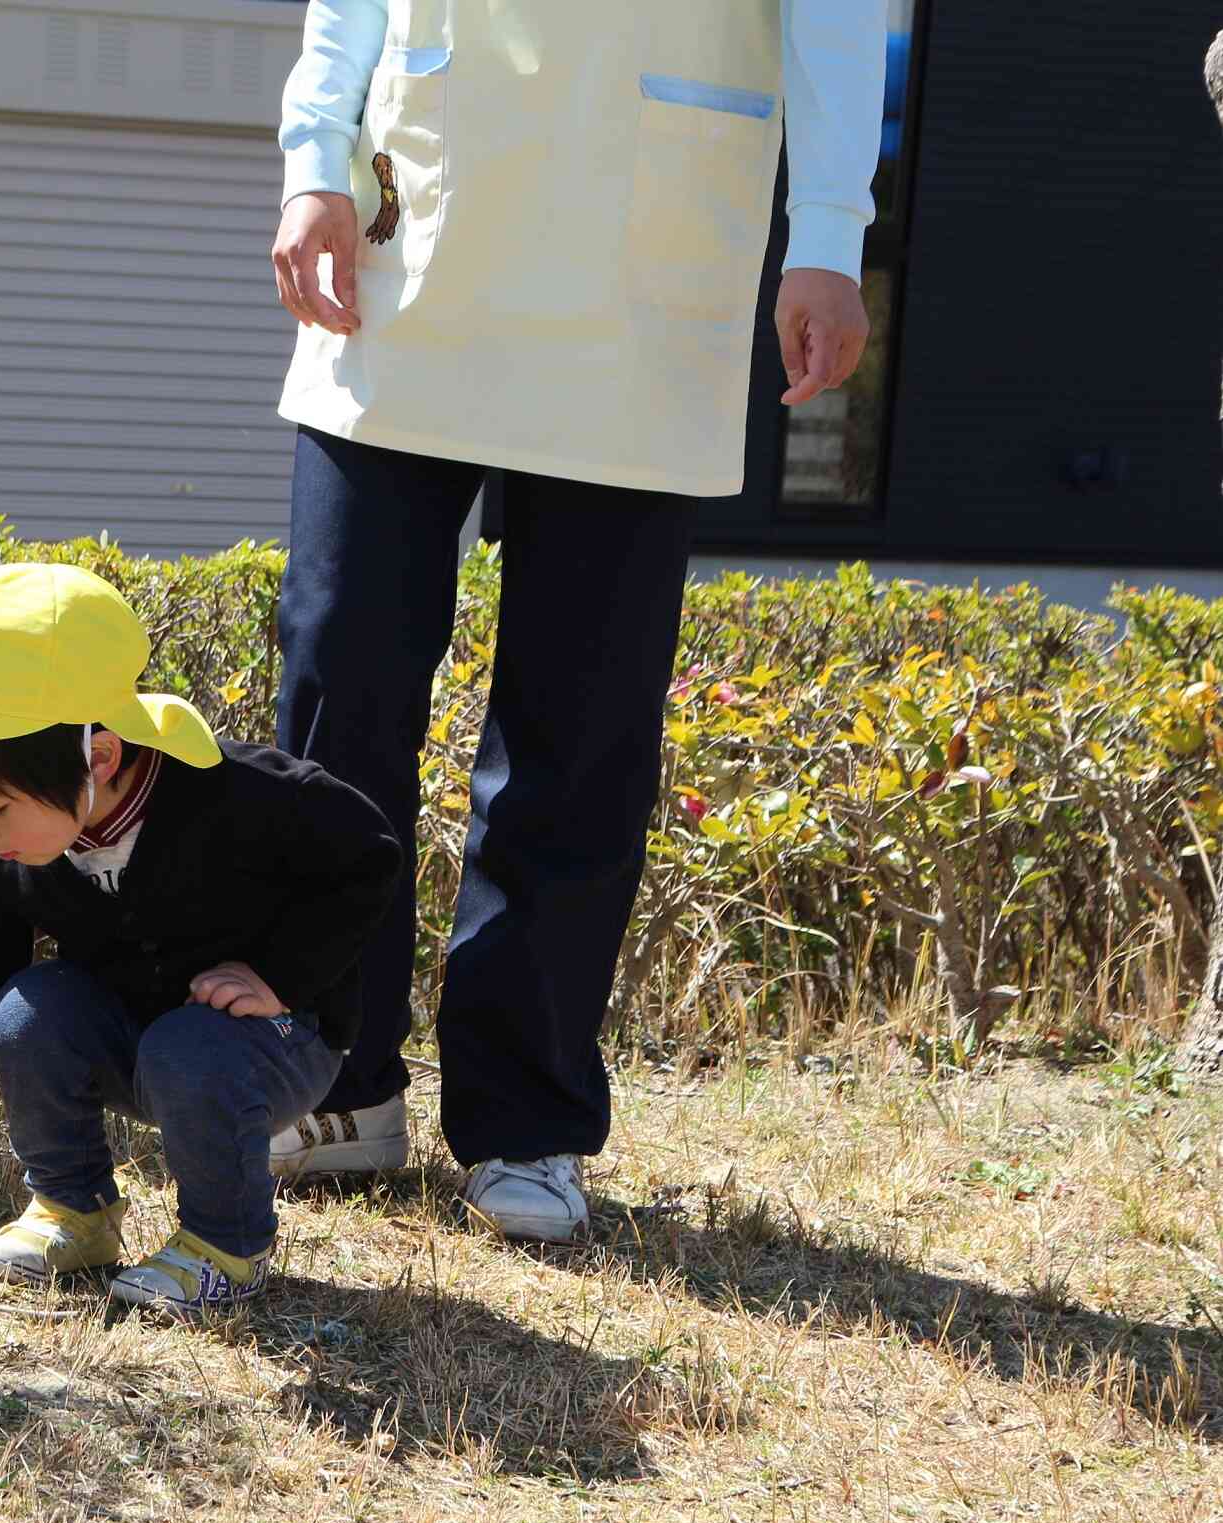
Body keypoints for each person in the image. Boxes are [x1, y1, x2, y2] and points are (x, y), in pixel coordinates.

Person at [264, 0, 884, 1240]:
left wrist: (827, 229)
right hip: (413, 220)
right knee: (339, 664)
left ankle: (526, 1117)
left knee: (581, 716)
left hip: (645, 250)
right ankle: (335, 1074)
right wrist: (314, 155)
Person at [0, 565, 400, 1316]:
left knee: (189, 1047)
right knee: (25, 1009)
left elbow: (369, 858)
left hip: (269, 1040)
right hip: (134, 1034)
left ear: (100, 757)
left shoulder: (246, 796)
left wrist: (280, 975)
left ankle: (226, 1246)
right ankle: (72, 1211)